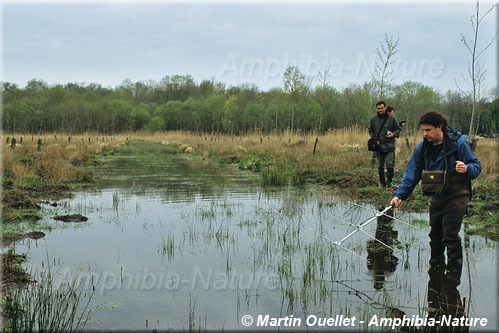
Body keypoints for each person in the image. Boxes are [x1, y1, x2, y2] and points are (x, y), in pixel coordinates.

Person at [390, 111, 481, 271]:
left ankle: (454, 272)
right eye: (423, 130)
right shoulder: (422, 148)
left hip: (458, 195)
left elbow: (476, 166)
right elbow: (411, 173)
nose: (425, 134)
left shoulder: (458, 143)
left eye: (428, 130)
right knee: (435, 236)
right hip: (437, 195)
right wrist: (399, 195)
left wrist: (466, 168)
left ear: (440, 127)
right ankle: (436, 269)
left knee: (450, 234)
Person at [368, 101, 401, 188]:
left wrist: (393, 134)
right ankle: (382, 184)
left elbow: (398, 128)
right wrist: (374, 138)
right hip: (379, 147)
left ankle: (389, 181)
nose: (380, 110)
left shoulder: (392, 119)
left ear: (385, 107)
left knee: (390, 164)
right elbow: (370, 130)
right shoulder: (373, 120)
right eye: (378, 108)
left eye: (382, 108)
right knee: (380, 166)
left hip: (390, 146)